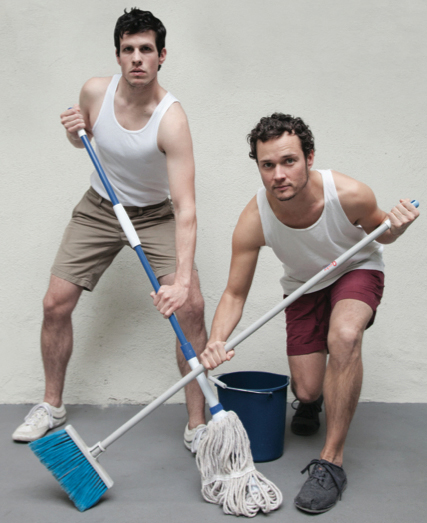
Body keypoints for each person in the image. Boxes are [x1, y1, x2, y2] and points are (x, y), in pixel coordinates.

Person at [199, 113, 419, 513]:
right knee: (306, 390)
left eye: (288, 161)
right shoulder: (254, 220)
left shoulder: (349, 194)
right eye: (268, 165)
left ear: (309, 157)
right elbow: (234, 292)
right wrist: (217, 340)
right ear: (259, 168)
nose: (278, 174)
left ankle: (331, 463)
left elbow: (382, 231)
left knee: (345, 336)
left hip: (355, 268)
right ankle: (313, 402)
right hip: (303, 287)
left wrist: (398, 225)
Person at [13, 8, 207, 450]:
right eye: (128, 50)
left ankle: (198, 423)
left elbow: (187, 206)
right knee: (54, 303)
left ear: (161, 57)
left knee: (191, 306)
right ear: (118, 56)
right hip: (100, 208)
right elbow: (80, 137)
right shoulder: (95, 93)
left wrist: (179, 280)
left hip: (155, 215)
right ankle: (51, 405)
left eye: (146, 50)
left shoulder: (172, 119)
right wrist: (74, 130)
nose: (137, 58)